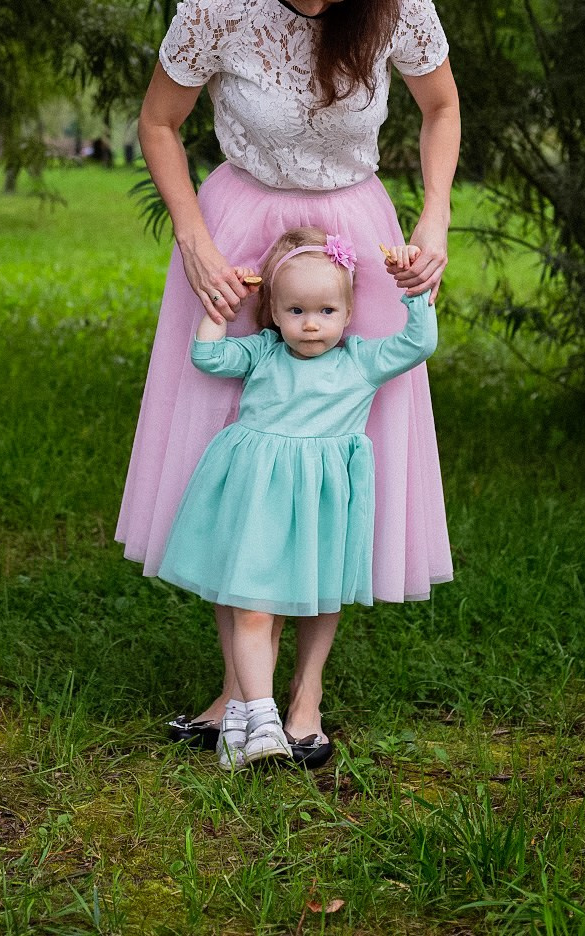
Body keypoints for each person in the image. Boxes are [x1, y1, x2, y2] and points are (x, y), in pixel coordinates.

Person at [116, 0, 459, 751]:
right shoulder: (216, 6)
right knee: (231, 452)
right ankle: (240, 695)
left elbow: (441, 107)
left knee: (336, 458)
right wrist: (193, 237)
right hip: (238, 231)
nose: (312, 7)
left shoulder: (398, 0)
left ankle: (300, 699)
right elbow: (159, 120)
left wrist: (435, 216)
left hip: (357, 238)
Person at [158, 227, 437, 768]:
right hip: (258, 495)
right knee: (249, 599)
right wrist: (220, 307)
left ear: (350, 311)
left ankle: (291, 704)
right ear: (274, 312)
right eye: (296, 311)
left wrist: (413, 289)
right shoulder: (264, 351)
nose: (311, 324)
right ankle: (252, 713)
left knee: (313, 589)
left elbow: (417, 344)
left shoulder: (359, 360)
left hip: (319, 504)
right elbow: (208, 358)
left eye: (328, 310)